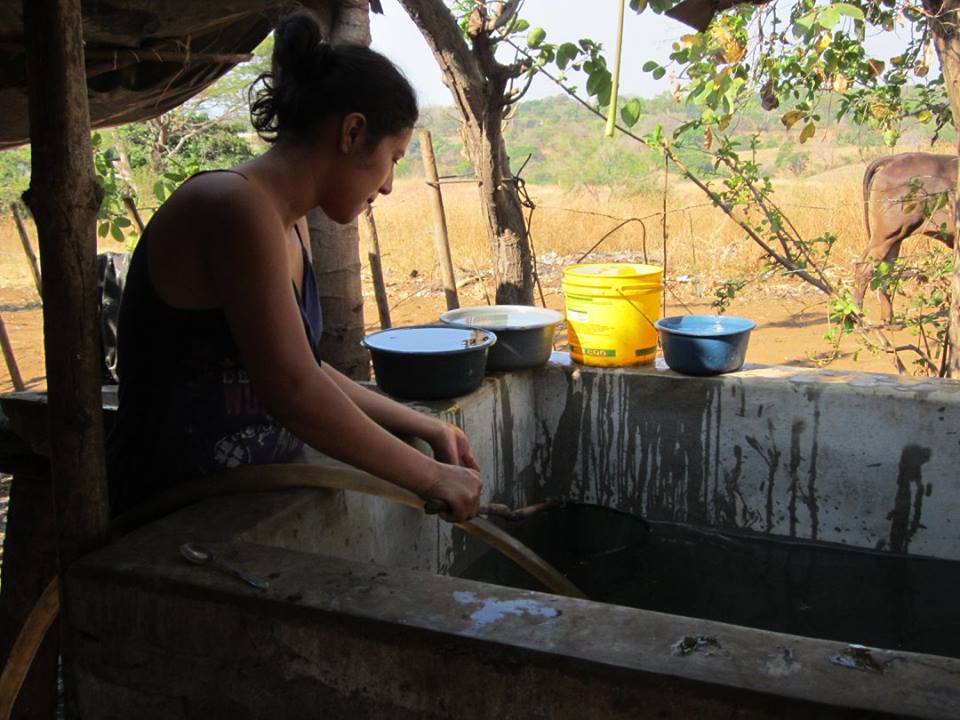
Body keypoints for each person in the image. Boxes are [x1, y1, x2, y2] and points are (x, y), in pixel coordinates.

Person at [107, 11, 483, 523]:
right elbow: (294, 391)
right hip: (171, 520)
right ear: (352, 133)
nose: (391, 184)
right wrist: (432, 477)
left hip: (245, 506)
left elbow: (305, 368)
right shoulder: (233, 207)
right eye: (394, 157)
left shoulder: (289, 224)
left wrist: (427, 427)